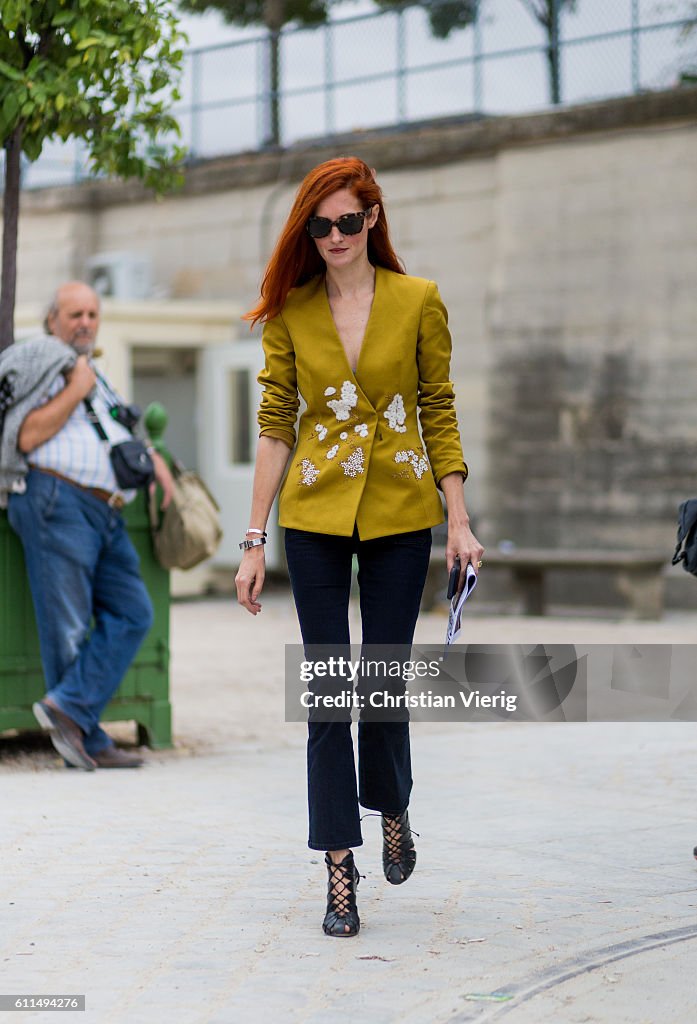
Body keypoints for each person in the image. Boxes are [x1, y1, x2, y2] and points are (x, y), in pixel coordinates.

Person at [235, 157, 484, 937]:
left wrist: (460, 520)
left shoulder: (418, 301)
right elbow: (277, 423)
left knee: (378, 687)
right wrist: (252, 539)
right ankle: (339, 874)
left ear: (372, 218)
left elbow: (437, 408)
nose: (335, 235)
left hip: (400, 514)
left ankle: (393, 803)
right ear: (306, 231)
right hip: (312, 515)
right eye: (320, 225)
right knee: (326, 697)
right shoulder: (291, 312)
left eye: (348, 220)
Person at [2, 281, 174, 770]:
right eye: (75, 314)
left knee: (135, 611)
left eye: (93, 315)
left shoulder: (94, 372)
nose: (85, 323)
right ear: (52, 320)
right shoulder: (42, 362)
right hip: (56, 499)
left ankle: (70, 710)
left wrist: (155, 463)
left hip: (106, 510)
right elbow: (25, 435)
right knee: (69, 628)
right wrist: (74, 388)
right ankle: (87, 738)